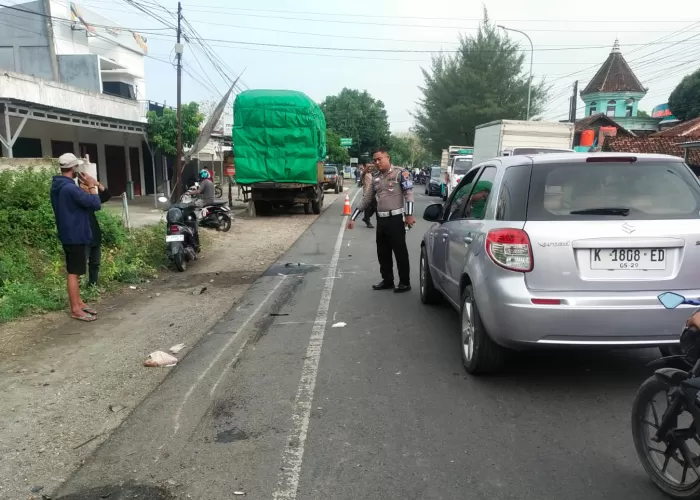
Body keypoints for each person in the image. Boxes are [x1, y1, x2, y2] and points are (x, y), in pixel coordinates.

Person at [347, 147, 415, 293]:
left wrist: (409, 215)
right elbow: (367, 199)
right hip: (381, 220)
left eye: (380, 159)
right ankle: (387, 280)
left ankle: (404, 282)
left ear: (387, 157)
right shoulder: (376, 177)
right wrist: (353, 217)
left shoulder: (400, 173)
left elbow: (408, 194)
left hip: (396, 218)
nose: (377, 162)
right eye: (375, 160)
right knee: (382, 252)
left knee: (400, 251)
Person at [50, 153, 102, 322]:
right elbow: (95, 204)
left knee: (75, 270)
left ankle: (79, 303)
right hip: (76, 234)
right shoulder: (70, 188)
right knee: (74, 273)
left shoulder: (57, 186)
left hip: (67, 233)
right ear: (73, 168)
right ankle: (75, 309)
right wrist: (92, 186)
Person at [79, 176, 111, 287]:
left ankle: (93, 285)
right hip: (83, 236)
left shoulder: (91, 199)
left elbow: (106, 195)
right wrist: (91, 187)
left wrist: (96, 183)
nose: (89, 188)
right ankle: (77, 288)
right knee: (81, 264)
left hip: (95, 236)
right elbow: (97, 205)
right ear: (81, 186)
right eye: (86, 186)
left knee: (95, 263)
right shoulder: (79, 199)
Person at [361, 161, 377, 228]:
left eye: (370, 168)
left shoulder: (371, 174)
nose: (369, 169)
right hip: (366, 194)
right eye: (368, 167)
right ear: (365, 167)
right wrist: (370, 165)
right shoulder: (363, 174)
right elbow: (364, 171)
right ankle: (367, 221)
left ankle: (366, 217)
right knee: (367, 208)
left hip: (372, 194)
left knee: (375, 207)